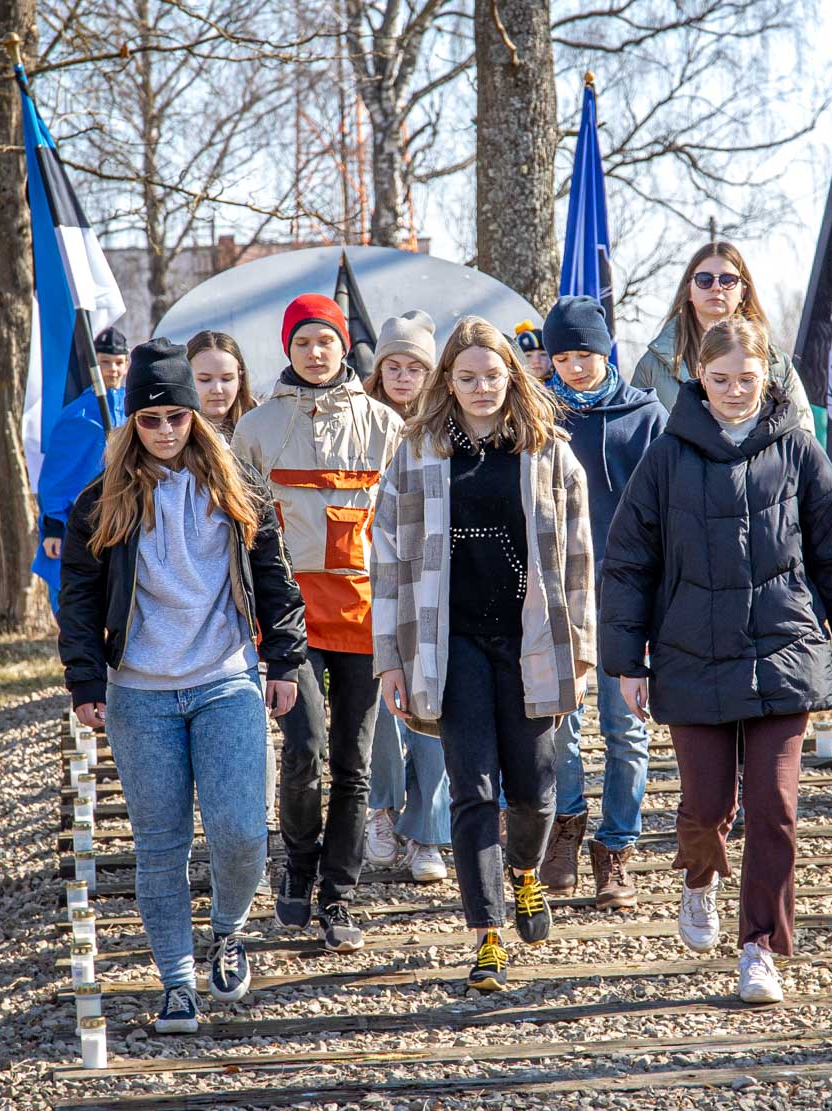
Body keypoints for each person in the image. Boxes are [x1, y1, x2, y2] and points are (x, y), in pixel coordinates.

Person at [600, 317, 832, 1005]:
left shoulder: (798, 453)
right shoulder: (666, 457)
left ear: (768, 377)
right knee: (704, 806)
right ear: (699, 375)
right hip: (690, 656)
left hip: (782, 654)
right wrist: (626, 662)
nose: (733, 392)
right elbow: (629, 561)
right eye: (720, 379)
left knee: (774, 807)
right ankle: (700, 880)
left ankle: (758, 946)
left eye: (746, 380)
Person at [57, 338, 306, 1035]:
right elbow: (77, 599)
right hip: (140, 692)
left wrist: (284, 660)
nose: (165, 431)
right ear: (131, 424)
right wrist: (85, 680)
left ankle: (227, 929)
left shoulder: (236, 488)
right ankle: (175, 984)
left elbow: (277, 580)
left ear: (196, 415)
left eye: (176, 416)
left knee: (238, 831)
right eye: (150, 419)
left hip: (225, 678)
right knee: (160, 845)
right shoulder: (99, 503)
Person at [372, 315, 596, 991]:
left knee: (533, 790)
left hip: (532, 641)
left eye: (492, 375)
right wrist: (390, 661)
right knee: (471, 790)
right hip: (449, 646)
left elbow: (582, 557)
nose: (479, 388)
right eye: (465, 376)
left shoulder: (548, 450)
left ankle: (524, 872)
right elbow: (385, 561)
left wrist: (580, 653)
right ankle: (487, 934)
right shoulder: (417, 452)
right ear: (448, 380)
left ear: (513, 376)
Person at [233, 293, 404, 953]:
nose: (314, 352)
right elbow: (244, 534)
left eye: (324, 340)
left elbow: (408, 525)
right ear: (288, 348)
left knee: (354, 763)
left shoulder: (386, 426)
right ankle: (298, 864)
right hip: (292, 618)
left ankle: (340, 892)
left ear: (341, 345)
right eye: (302, 342)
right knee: (303, 751)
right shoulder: (256, 428)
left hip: (366, 614)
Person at [535, 297, 666, 909]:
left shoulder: (645, 417)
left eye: (583, 354)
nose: (572, 367)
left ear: (607, 349)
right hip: (556, 594)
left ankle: (616, 849)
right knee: (559, 724)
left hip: (626, 595)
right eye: (560, 357)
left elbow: (667, 511)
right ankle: (566, 827)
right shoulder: (536, 415)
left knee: (625, 729)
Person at [360, 310, 452, 883]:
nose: (401, 376)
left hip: (431, 586)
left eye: (414, 366)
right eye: (391, 365)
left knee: (434, 714)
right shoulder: (361, 422)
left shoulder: (447, 426)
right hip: (366, 582)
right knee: (383, 714)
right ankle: (380, 810)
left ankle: (428, 832)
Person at [631, 242, 815, 439]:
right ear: (689, 290)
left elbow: (803, 437)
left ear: (743, 291)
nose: (717, 287)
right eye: (704, 279)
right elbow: (633, 440)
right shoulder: (653, 365)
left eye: (728, 280)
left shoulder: (777, 364)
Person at [36, 326, 130, 610]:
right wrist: (53, 526)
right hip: (86, 521)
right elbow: (57, 476)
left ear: (126, 365)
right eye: (104, 362)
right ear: (93, 365)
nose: (112, 369)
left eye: (117, 362)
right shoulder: (76, 416)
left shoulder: (136, 410)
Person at [187, 330, 258, 435]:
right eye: (205, 379)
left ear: (240, 380)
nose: (217, 390)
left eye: (227, 379)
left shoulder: (264, 424)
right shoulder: (166, 431)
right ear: (185, 378)